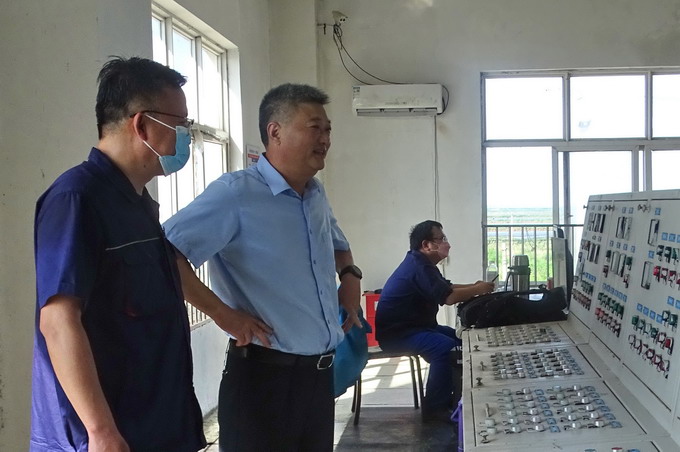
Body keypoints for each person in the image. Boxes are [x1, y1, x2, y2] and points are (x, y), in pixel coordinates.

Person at [163, 83, 362, 452]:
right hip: (262, 382)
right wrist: (223, 314)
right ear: (275, 131)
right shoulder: (236, 194)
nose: (325, 139)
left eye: (328, 129)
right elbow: (165, 254)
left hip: (317, 381)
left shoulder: (315, 194)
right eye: (314, 127)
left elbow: (339, 245)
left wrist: (350, 276)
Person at [31, 57, 206, 452]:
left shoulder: (137, 202)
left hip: (154, 423)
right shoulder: (77, 199)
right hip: (105, 436)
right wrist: (101, 432)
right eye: (180, 125)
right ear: (142, 125)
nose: (186, 137)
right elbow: (57, 321)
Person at [375, 220, 494, 421]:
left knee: (462, 341)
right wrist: (477, 289)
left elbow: (447, 287)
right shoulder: (419, 266)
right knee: (446, 348)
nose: (447, 243)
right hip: (398, 334)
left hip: (417, 328)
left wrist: (475, 286)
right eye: (441, 239)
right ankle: (435, 409)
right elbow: (449, 298)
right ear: (426, 245)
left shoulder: (421, 263)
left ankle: (456, 397)